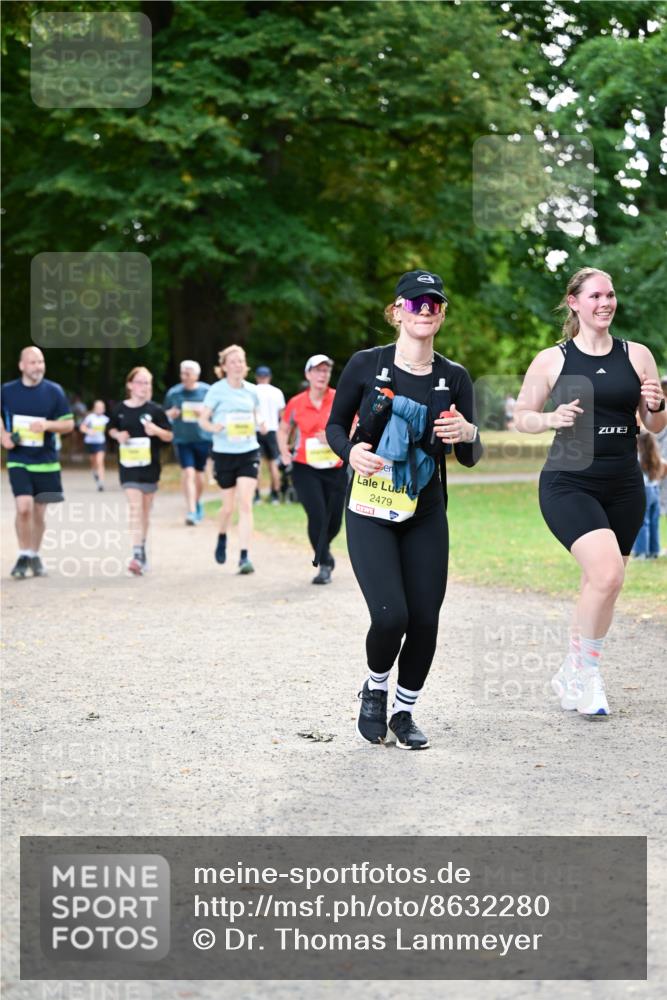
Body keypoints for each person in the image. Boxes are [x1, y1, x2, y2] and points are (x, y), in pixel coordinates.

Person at [326, 270, 482, 749]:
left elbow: (469, 455)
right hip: (371, 506)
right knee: (391, 615)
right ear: (397, 311)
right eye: (416, 303)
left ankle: (405, 712)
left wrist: (470, 434)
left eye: (434, 304)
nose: (426, 310)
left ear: (442, 315)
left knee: (426, 618)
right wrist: (350, 452)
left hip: (426, 509)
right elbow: (335, 428)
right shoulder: (365, 364)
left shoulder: (453, 377)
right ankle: (374, 690)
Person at [513, 267, 666, 716]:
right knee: (608, 576)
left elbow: (655, 425)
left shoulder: (637, 355)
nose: (605, 303)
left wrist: (656, 405)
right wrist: (549, 419)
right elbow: (522, 414)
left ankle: (573, 672)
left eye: (611, 295)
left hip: (624, 483)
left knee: (599, 585)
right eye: (595, 295)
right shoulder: (552, 359)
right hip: (569, 480)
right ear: (574, 303)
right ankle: (587, 674)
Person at [1, 346, 75, 578]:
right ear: (22, 366)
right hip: (19, 459)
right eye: (32, 362)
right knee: (24, 508)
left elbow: (69, 424)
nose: (38, 366)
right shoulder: (7, 391)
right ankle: (23, 554)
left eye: (41, 362)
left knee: (39, 514)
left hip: (46, 461)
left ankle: (34, 554)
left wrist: (47, 425)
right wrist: (3, 436)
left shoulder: (54, 391)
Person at [278, 355, 346, 585]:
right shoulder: (296, 402)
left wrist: (335, 438)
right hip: (304, 467)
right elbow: (284, 428)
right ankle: (324, 562)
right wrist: (284, 451)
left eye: (326, 370)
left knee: (335, 520)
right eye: (317, 370)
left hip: (335, 467)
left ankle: (323, 550)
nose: (322, 375)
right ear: (308, 375)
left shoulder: (339, 398)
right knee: (317, 515)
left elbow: (355, 425)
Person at [199, 345, 266, 574]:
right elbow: (202, 420)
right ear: (224, 366)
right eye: (233, 361)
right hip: (224, 453)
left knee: (245, 503)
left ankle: (244, 556)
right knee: (227, 507)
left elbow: (258, 417)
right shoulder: (216, 390)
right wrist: (212, 426)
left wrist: (262, 424)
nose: (238, 364)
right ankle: (221, 535)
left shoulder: (252, 391)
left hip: (248, 452)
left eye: (241, 360)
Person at [107, 367, 173, 576]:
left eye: (147, 383)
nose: (143, 387)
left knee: (145, 510)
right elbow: (110, 429)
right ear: (130, 385)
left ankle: (141, 548)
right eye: (140, 382)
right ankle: (136, 554)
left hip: (150, 467)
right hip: (128, 468)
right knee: (135, 507)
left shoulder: (155, 410)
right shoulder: (120, 409)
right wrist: (118, 435)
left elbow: (169, 436)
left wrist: (157, 431)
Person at [163, 360, 212, 525]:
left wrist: (203, 414)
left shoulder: (207, 391)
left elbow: (217, 414)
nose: (184, 377)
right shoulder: (174, 393)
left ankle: (197, 503)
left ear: (196, 375)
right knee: (188, 473)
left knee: (199, 476)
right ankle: (191, 511)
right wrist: (171, 414)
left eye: (188, 373)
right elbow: (164, 415)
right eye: (182, 373)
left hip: (203, 439)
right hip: (182, 439)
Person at [632, 431, 667, 559]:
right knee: (653, 522)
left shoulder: (638, 458)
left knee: (642, 523)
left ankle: (641, 552)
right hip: (655, 490)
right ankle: (654, 551)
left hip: (644, 491)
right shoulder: (657, 458)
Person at [253, 365, 286, 505]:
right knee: (273, 464)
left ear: (256, 377)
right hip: (272, 430)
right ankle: (275, 495)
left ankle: (257, 496)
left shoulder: (252, 390)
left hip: (255, 429)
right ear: (269, 377)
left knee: (257, 464)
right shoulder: (277, 392)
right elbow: (282, 415)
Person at [79, 399, 109, 491]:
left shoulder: (106, 419)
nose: (100, 409)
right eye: (98, 407)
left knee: (100, 461)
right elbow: (82, 427)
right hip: (90, 442)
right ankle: (94, 472)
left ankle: (101, 483)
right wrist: (88, 431)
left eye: (101, 407)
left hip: (100, 442)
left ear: (104, 409)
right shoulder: (90, 417)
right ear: (94, 408)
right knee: (93, 462)